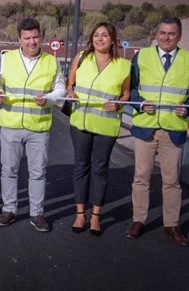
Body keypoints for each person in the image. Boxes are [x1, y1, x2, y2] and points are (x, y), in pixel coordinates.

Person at [126, 16, 189, 247]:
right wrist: (139, 103)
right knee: (141, 178)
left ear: (179, 36)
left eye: (171, 33)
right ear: (156, 34)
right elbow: (130, 89)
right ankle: (138, 220)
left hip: (173, 129)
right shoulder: (142, 56)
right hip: (146, 128)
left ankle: (171, 225)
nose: (166, 37)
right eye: (162, 33)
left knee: (171, 181)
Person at [0, 18, 65, 232]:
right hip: (11, 123)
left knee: (38, 172)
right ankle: (9, 210)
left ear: (40, 37)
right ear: (19, 39)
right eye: (27, 38)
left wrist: (50, 98)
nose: (32, 41)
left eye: (35, 37)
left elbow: (60, 89)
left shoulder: (52, 61)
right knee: (9, 170)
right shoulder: (6, 59)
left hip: (38, 127)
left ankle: (37, 214)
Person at [67, 22, 130, 235]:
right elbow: (70, 85)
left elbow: (126, 94)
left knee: (100, 169)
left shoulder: (124, 65)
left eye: (104, 35)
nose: (99, 39)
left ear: (113, 40)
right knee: (81, 166)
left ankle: (95, 216)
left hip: (106, 124)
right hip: (80, 123)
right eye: (96, 35)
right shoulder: (82, 58)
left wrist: (120, 104)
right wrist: (70, 92)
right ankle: (79, 214)